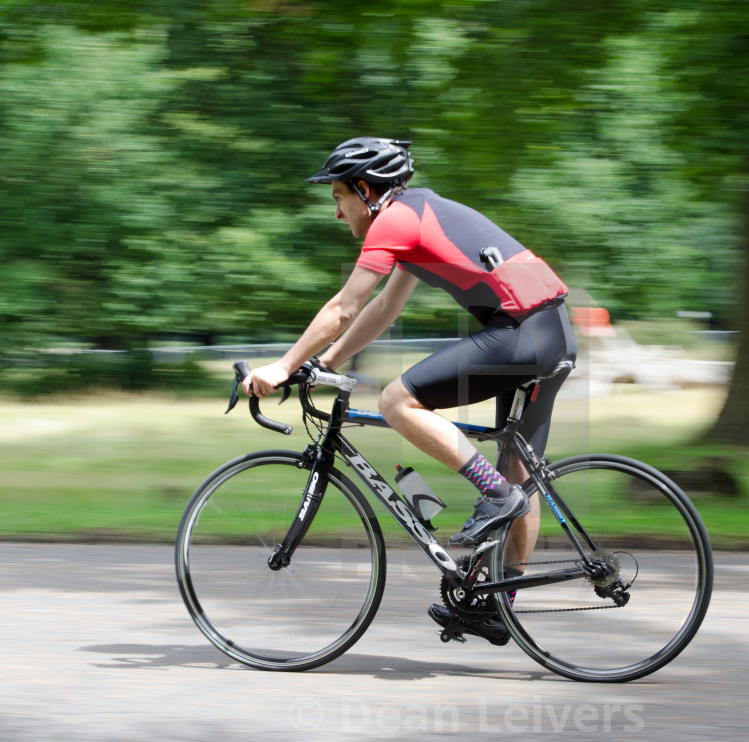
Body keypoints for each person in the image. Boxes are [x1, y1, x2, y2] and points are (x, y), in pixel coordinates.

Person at [241, 137, 577, 642]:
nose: (337, 213)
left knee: (398, 401)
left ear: (365, 189)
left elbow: (345, 306)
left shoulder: (396, 219)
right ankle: (499, 604)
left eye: (338, 198)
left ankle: (495, 493)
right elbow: (383, 309)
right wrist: (325, 362)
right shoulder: (415, 216)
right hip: (551, 331)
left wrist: (284, 366)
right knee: (518, 470)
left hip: (525, 332)